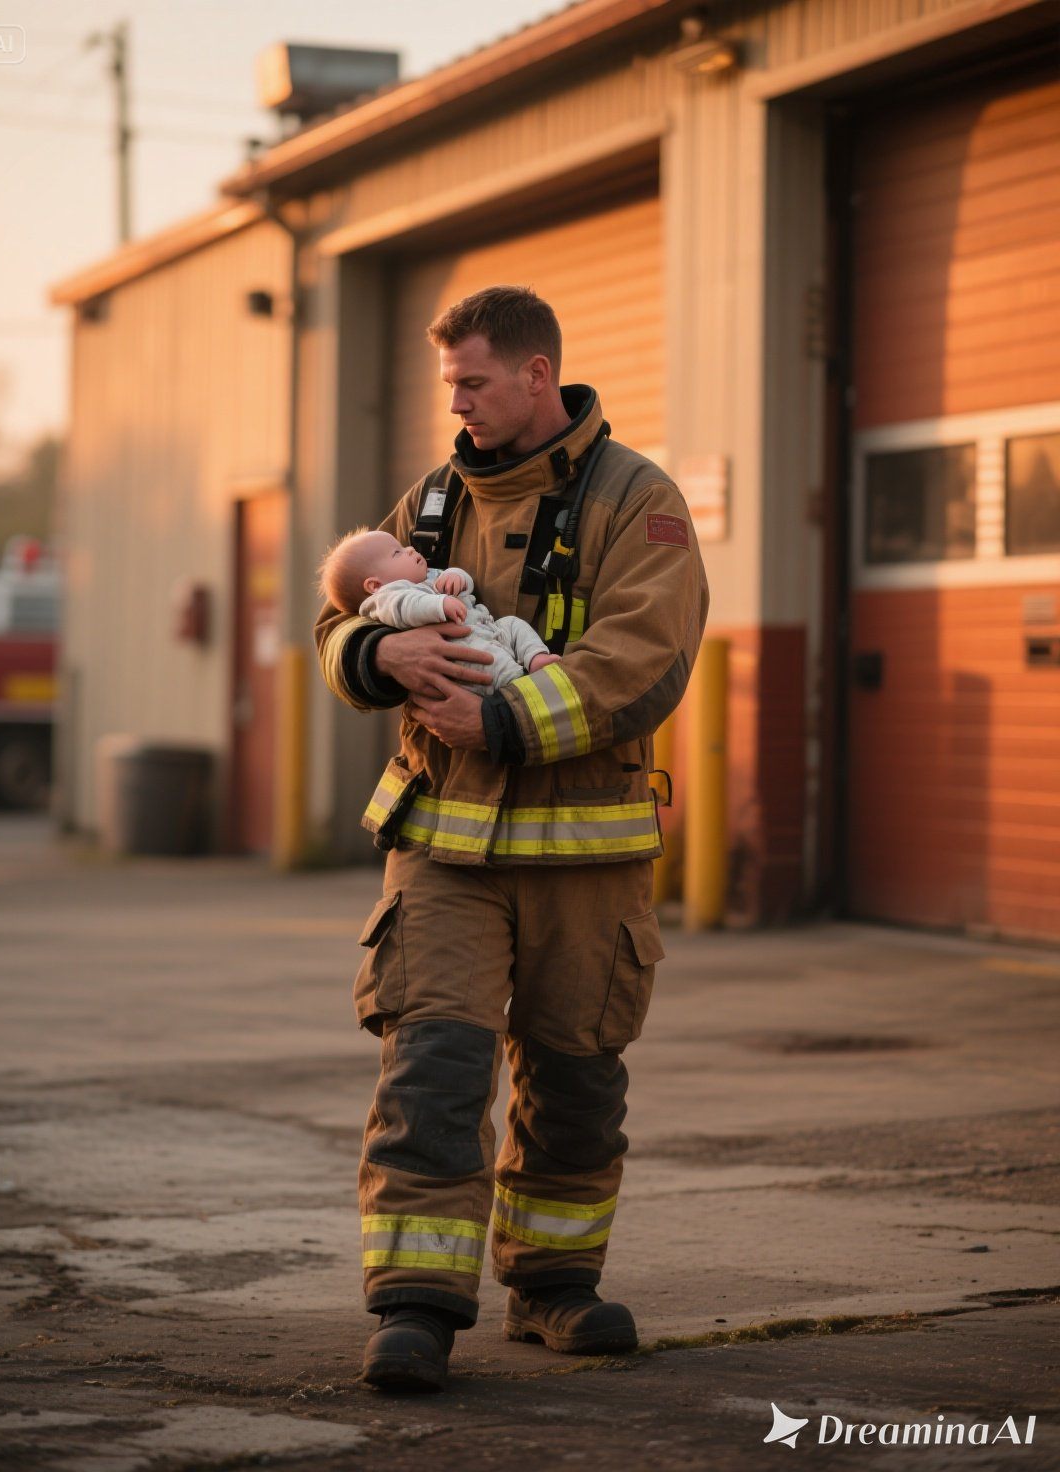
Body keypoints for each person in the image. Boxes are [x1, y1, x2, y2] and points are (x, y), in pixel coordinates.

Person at [313, 284, 709, 1393]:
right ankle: (414, 1307)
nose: (459, 402)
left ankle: (555, 1288)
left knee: (577, 1082)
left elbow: (648, 650)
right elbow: (338, 613)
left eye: (474, 381)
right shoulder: (430, 500)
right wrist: (372, 655)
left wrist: (501, 714)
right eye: (450, 383)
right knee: (433, 1067)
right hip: (442, 851)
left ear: (538, 374)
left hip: (588, 864)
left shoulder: (641, 501)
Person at [316, 527, 561, 692]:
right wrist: (439, 604)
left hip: (490, 630)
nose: (410, 549)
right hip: (462, 650)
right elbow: (408, 608)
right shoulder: (387, 598)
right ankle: (520, 686)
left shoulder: (427, 577)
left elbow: (461, 583)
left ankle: (536, 657)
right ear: (375, 585)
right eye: (397, 553)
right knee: (493, 665)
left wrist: (458, 576)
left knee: (513, 624)